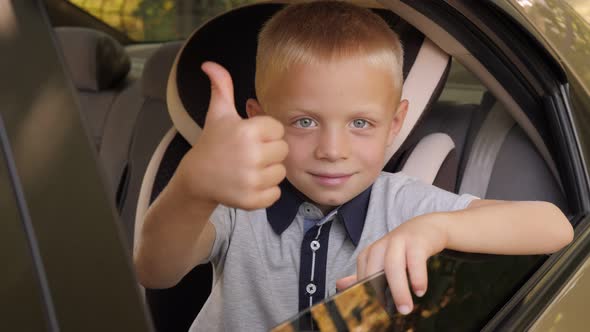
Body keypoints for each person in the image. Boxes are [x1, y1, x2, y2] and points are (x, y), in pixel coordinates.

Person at [133, 1, 574, 331]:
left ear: (394, 124)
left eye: (360, 123)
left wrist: (437, 229)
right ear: (259, 117)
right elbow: (155, 269)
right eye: (304, 122)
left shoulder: (403, 203)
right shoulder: (237, 204)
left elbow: (555, 227)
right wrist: (193, 187)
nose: (332, 149)